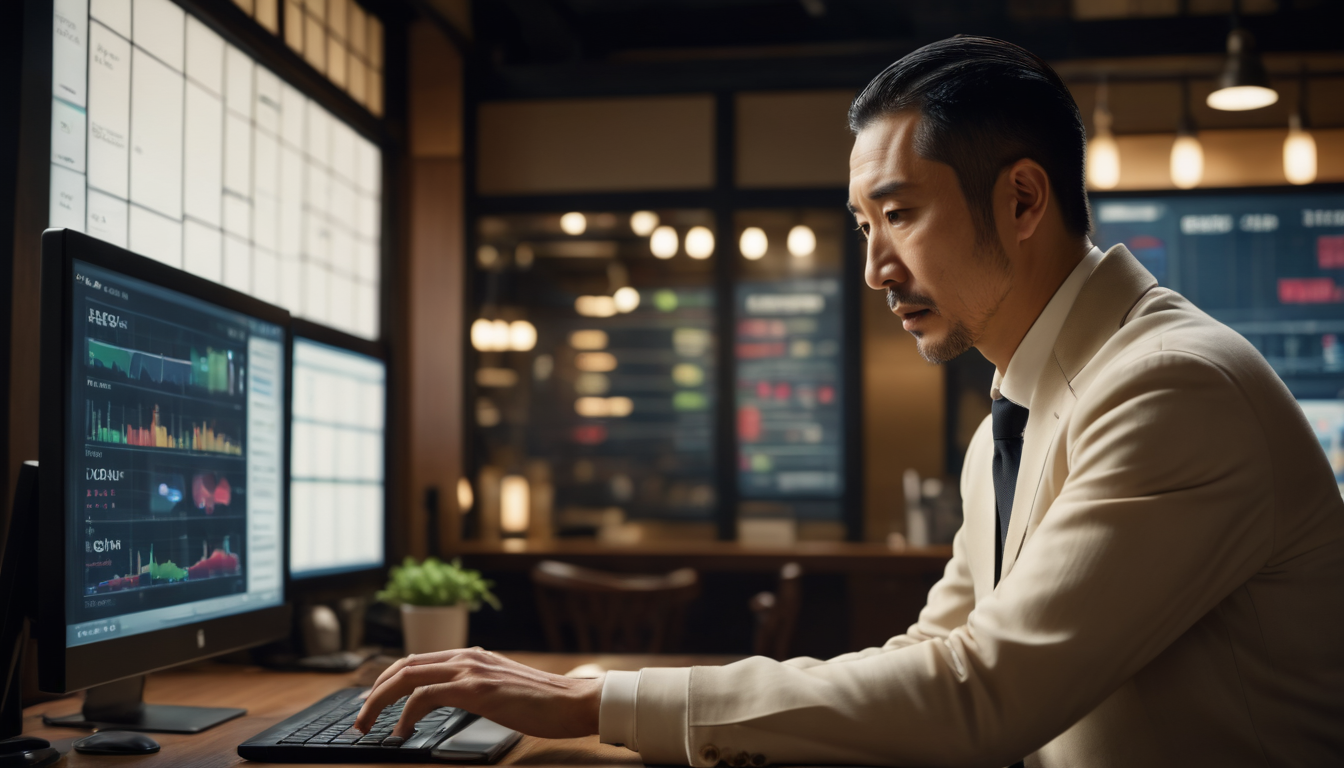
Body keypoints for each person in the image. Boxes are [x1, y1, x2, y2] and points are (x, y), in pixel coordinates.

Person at [355, 36, 1344, 767]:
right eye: (863, 223)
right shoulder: (1023, 404)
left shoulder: (1170, 388)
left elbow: (978, 696)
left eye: (900, 214)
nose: (874, 269)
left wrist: (598, 700)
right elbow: (934, 659)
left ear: (1024, 200)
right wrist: (609, 701)